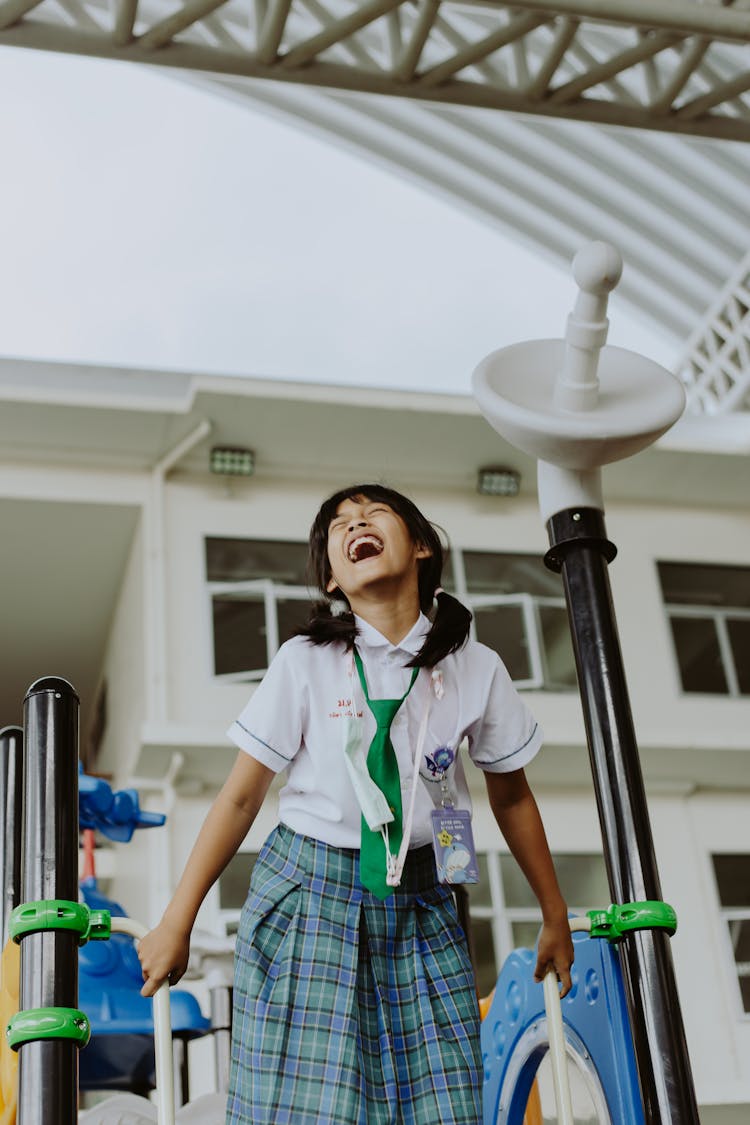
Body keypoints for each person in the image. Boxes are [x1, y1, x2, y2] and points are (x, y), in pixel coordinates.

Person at [138, 483, 574, 1125]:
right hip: (311, 892)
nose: (354, 525)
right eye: (338, 526)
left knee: (443, 1103)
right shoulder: (305, 662)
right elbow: (240, 798)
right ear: (333, 581)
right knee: (308, 1108)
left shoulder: (475, 668)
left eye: (373, 514)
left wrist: (554, 913)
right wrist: (178, 919)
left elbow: (511, 797)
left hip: (426, 899)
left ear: (421, 546)